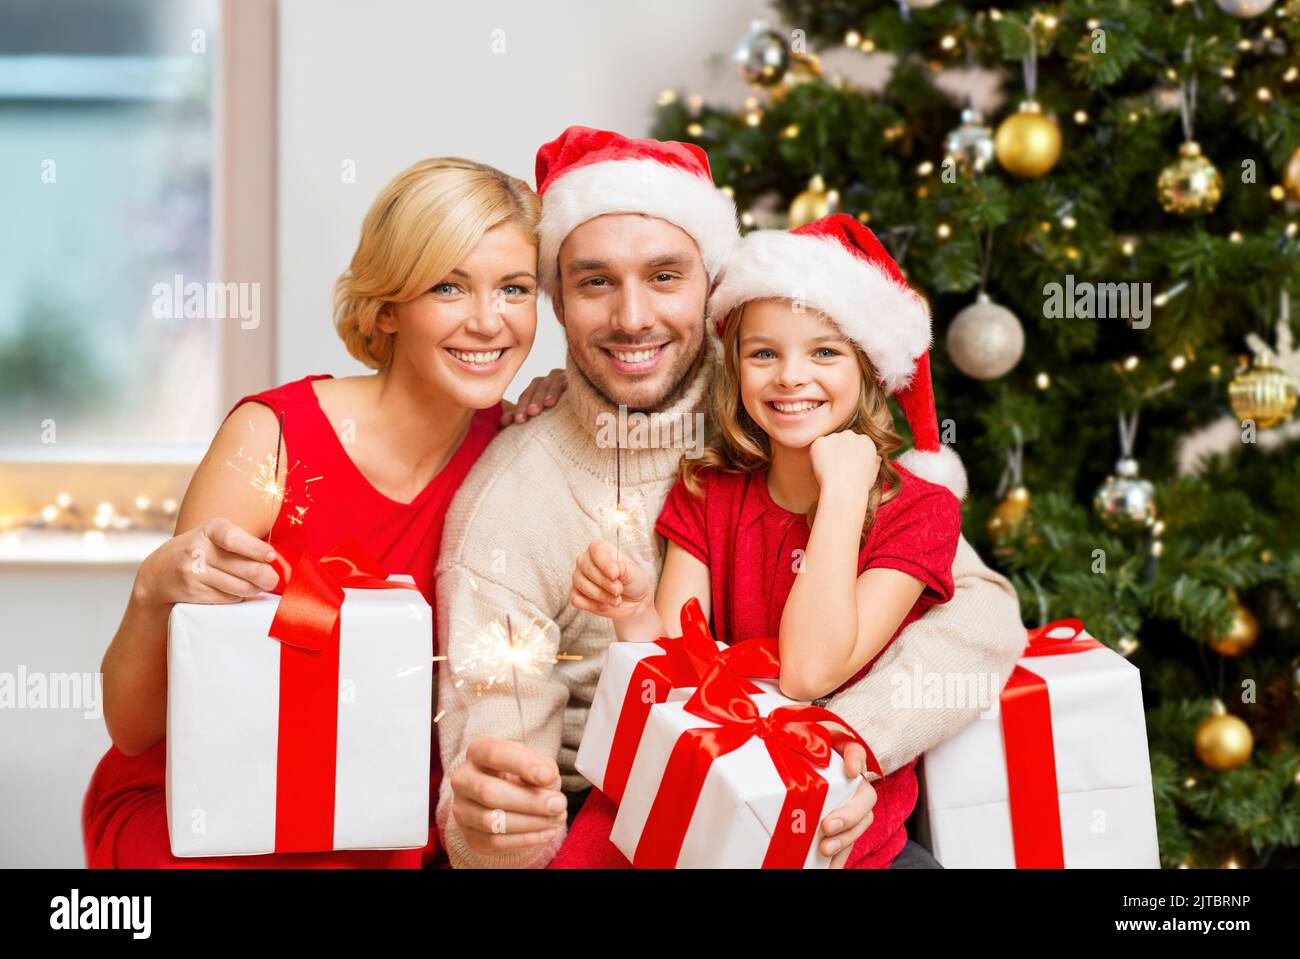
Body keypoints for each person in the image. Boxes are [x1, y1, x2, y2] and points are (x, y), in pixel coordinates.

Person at [434, 127, 1026, 869]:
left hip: (825, 790)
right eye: (595, 281)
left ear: (712, 288)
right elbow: (504, 782)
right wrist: (497, 821)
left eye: (665, 276)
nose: (632, 317)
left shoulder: (780, 410)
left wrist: (839, 746)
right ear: (558, 300)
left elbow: (982, 614)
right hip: (634, 800)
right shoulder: (513, 499)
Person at [83, 156, 563, 868]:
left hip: (378, 820)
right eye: (448, 286)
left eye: (514, 288)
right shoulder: (271, 440)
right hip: (210, 812)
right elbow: (134, 730)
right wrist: (154, 591)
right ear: (387, 305)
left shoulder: (518, 453)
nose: (488, 321)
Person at [565, 213, 963, 867]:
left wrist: (840, 495)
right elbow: (671, 677)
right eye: (765, 353)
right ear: (738, 365)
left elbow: (809, 671)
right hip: (712, 797)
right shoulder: (707, 490)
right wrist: (632, 611)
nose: (789, 377)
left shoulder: (920, 513)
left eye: (825, 352)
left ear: (868, 368)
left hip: (842, 828)